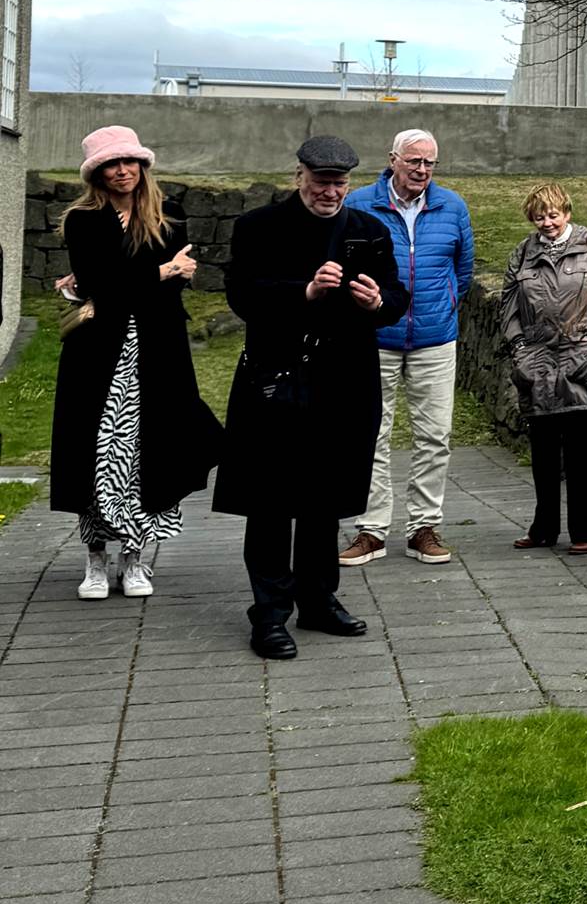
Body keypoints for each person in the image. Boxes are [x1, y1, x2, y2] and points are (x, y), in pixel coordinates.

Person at [214, 136, 409, 658]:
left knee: (326, 497)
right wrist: (304, 293)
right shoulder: (259, 226)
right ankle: (270, 614)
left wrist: (378, 300)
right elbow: (243, 295)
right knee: (272, 500)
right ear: (299, 175)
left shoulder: (368, 229)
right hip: (277, 380)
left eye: (340, 182)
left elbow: (395, 294)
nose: (331, 191)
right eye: (322, 181)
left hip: (344, 381)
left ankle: (319, 600)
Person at [49, 125, 222, 599]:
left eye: (130, 162)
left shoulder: (170, 217)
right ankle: (95, 559)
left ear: (143, 166)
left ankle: (135, 556)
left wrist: (136, 282)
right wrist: (161, 272)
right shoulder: (85, 220)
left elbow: (129, 285)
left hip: (156, 353)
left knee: (146, 453)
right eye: (111, 164)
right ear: (97, 173)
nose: (122, 171)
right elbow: (104, 284)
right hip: (98, 357)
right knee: (98, 454)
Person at [339, 129, 474, 566]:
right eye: (414, 161)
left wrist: (445, 306)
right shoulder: (359, 204)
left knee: (435, 436)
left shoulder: (452, 206)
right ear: (393, 159)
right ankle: (371, 529)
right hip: (374, 339)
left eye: (430, 163)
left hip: (434, 339)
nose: (421, 171)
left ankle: (423, 527)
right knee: (369, 435)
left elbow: (463, 270)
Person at [500, 183, 587, 552]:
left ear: (568, 213)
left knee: (582, 453)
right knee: (543, 454)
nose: (547, 222)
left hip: (580, 359)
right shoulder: (523, 253)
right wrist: (518, 347)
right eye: (539, 216)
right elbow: (508, 304)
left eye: (553, 214)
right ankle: (543, 529)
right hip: (537, 363)